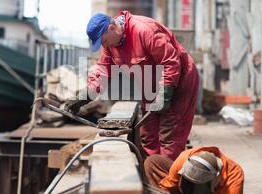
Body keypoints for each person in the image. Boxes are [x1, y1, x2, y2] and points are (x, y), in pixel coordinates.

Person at [65, 10, 199, 160]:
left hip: (180, 79)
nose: (104, 45)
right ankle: (152, 172)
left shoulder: (144, 30)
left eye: (103, 41)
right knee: (149, 134)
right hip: (151, 84)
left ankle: (166, 180)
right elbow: (102, 73)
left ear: (111, 28)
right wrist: (84, 96)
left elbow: (170, 62)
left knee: (170, 135)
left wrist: (165, 93)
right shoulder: (110, 45)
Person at [144, 146, 244, 194]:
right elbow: (167, 187)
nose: (192, 188)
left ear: (215, 180)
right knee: (152, 161)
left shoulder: (234, 175)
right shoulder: (184, 158)